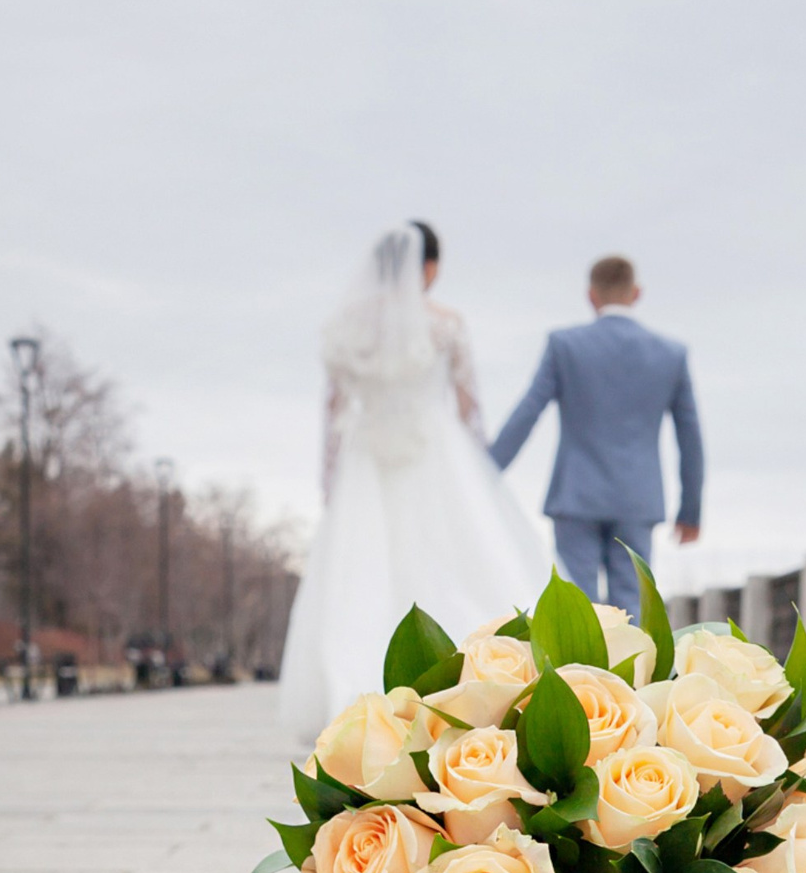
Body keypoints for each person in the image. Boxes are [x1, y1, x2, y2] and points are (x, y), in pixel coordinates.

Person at [276, 222, 549, 741]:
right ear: (428, 267)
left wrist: (330, 480)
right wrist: (480, 475)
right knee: (453, 564)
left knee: (361, 576)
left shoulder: (347, 325)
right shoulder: (445, 324)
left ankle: (357, 698)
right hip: (435, 453)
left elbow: (332, 409)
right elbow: (469, 407)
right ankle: (465, 688)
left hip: (367, 459)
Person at [488, 254, 703, 612]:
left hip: (575, 496)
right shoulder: (671, 354)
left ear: (591, 296)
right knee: (630, 609)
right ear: (637, 293)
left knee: (578, 611)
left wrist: (484, 473)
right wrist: (690, 509)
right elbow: (689, 434)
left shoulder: (565, 345)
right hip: (637, 499)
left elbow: (528, 412)